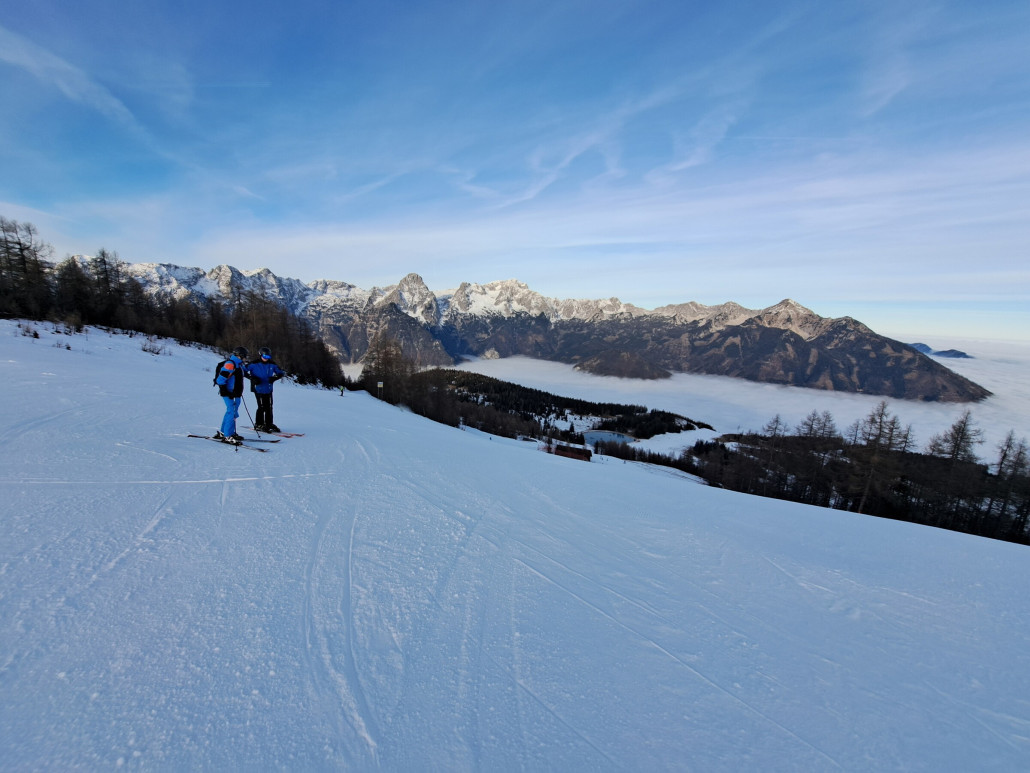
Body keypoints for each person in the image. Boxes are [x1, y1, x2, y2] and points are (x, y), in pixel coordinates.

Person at [245, 346, 285, 432]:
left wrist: (275, 378)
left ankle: (269, 423)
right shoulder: (254, 364)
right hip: (258, 388)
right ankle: (259, 424)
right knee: (261, 406)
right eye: (264, 356)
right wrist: (252, 378)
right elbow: (243, 371)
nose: (266, 358)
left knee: (269, 407)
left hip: (268, 388)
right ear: (260, 355)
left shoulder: (272, 364)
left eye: (268, 357)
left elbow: (281, 372)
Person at [214, 346, 248, 444]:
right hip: (229, 394)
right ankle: (227, 436)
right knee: (231, 412)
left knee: (232, 412)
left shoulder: (239, 365)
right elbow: (220, 380)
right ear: (240, 356)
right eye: (245, 356)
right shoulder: (230, 364)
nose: (246, 358)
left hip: (236, 394)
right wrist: (225, 391)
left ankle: (224, 432)